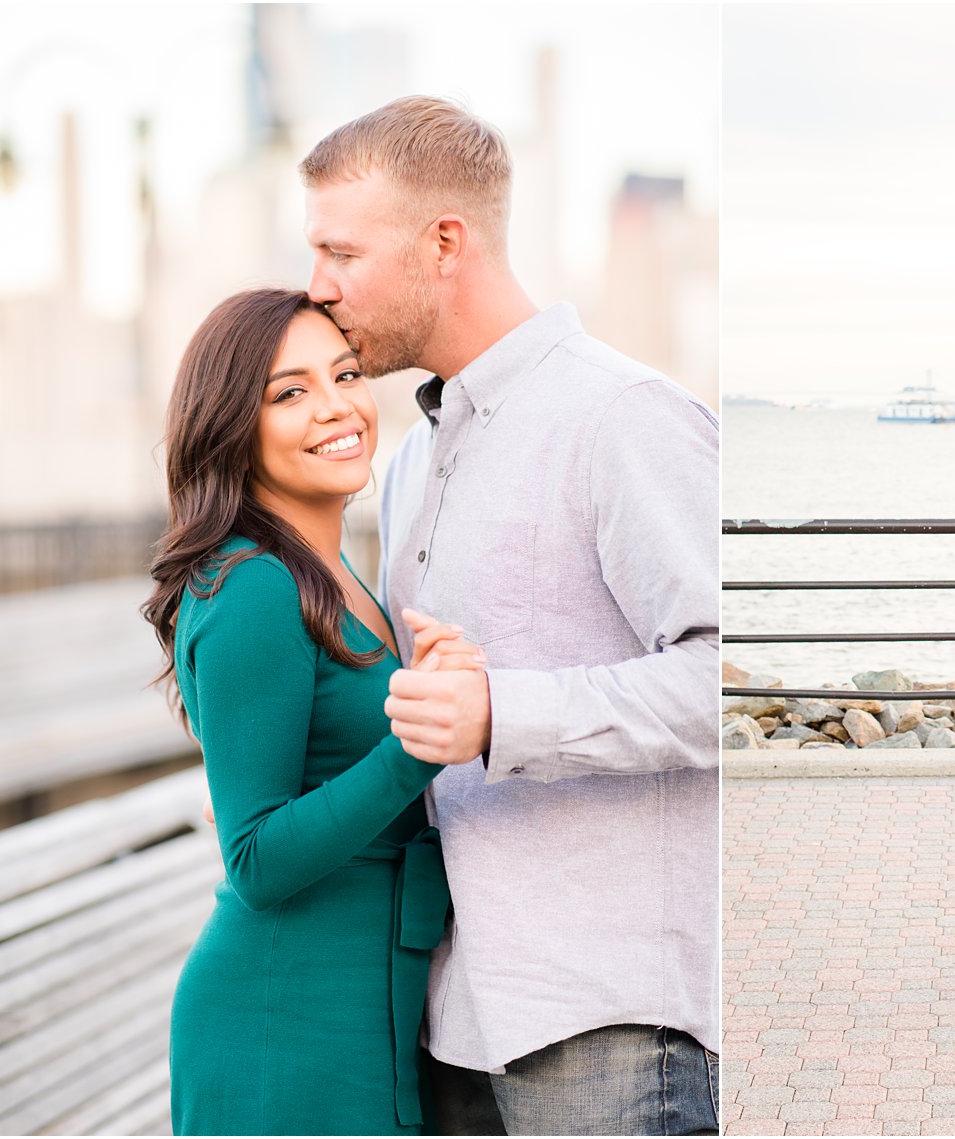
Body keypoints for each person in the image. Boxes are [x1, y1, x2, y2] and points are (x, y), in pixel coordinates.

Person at [298, 97, 720, 1134]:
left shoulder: (619, 417)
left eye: (341, 251)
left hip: (609, 1021)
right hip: (454, 1008)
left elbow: (729, 679)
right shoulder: (408, 462)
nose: (318, 284)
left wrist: (500, 714)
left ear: (445, 242)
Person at [143, 289, 486, 1134]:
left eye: (345, 374)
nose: (336, 406)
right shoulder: (254, 584)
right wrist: (416, 742)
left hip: (371, 1006)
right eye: (289, 391)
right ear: (232, 425)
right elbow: (253, 854)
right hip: (283, 1023)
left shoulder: (335, 576)